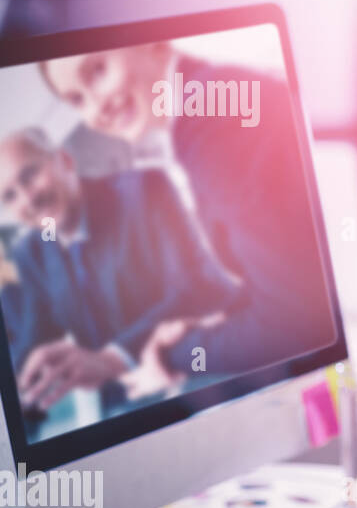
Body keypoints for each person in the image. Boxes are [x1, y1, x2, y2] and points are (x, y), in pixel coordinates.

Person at [39, 41, 336, 379]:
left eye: (97, 70)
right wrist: (221, 319)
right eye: (77, 99)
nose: (95, 110)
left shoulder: (214, 128)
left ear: (152, 44)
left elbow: (295, 322)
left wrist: (174, 357)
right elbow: (290, 275)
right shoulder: (210, 102)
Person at [0, 128, 242, 418]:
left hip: (208, 370)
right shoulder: (35, 250)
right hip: (135, 400)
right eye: (9, 196)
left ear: (65, 160)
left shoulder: (142, 189)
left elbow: (196, 286)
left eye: (30, 176)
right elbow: (35, 335)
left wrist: (111, 358)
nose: (28, 200)